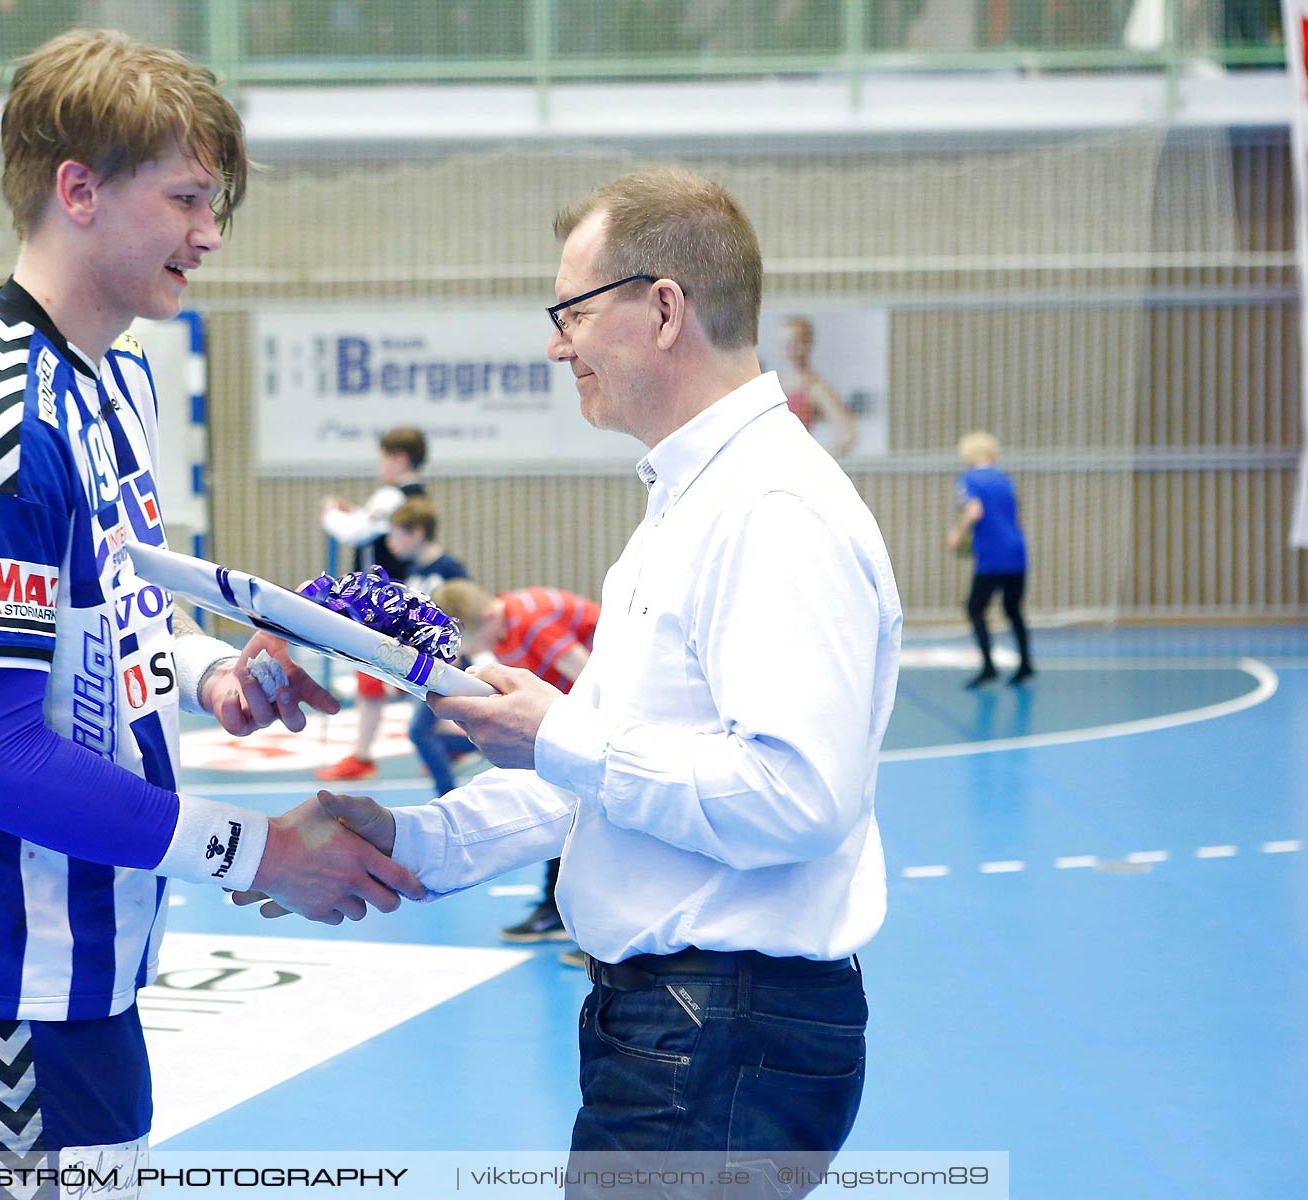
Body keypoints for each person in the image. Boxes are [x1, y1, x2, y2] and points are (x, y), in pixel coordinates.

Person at [0, 29, 422, 1177]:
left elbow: (111, 613)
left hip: (87, 958)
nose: (211, 234)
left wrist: (218, 674)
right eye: (190, 198)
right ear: (79, 190)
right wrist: (258, 853)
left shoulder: (119, 374)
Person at [241, 167, 901, 1187]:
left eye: (574, 312)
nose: (557, 344)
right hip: (682, 1028)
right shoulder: (691, 508)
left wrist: (558, 734)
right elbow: (587, 785)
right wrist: (412, 842)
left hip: (720, 1035)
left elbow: (799, 797)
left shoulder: (773, 512)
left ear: (664, 309)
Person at [432, 579, 599, 946]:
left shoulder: (530, 621)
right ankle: (559, 911)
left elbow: (592, 678)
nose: (478, 651)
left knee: (578, 802)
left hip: (606, 709)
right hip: (581, 708)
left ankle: (583, 919)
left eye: (474, 641)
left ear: (489, 616)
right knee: (564, 799)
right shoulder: (506, 626)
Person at [315, 426, 428, 782]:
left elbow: (355, 532)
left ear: (399, 458)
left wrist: (330, 513)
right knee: (393, 676)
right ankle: (431, 743)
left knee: (375, 675)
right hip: (399, 597)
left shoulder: (392, 496)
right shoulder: (410, 495)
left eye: (383, 458)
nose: (380, 465)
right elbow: (369, 525)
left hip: (381, 602)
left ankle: (363, 755)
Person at [382, 499, 478, 796]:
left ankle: (448, 796)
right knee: (427, 732)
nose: (390, 542)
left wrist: (458, 652)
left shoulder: (449, 568)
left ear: (418, 532)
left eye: (397, 533)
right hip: (424, 664)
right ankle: (482, 746)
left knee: (420, 731)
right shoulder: (412, 572)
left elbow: (468, 608)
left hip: (450, 662)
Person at [947, 430, 1034, 687]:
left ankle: (988, 667)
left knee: (975, 608)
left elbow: (975, 510)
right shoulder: (1005, 479)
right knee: (1013, 609)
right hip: (1016, 549)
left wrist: (957, 533)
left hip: (992, 554)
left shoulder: (969, 479)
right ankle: (1026, 663)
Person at [779, 315, 858, 459]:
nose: (789, 349)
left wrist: (816, 460)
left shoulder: (815, 387)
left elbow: (848, 433)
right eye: (785, 343)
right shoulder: (774, 382)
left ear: (808, 344)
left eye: (795, 343)